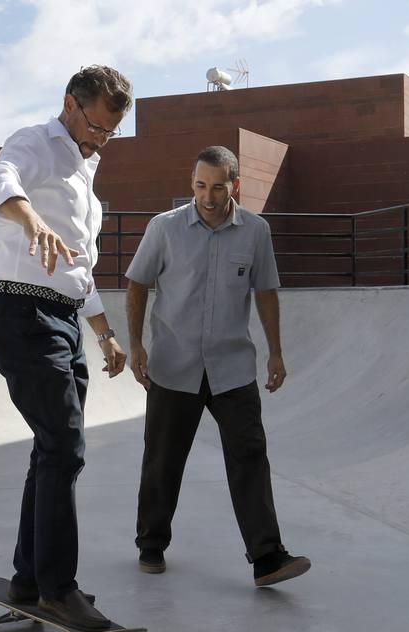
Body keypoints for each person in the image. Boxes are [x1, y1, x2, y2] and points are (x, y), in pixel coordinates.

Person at [0, 66, 132, 631]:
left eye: (111, 133)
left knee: (51, 449)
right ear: (71, 104)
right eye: (96, 127)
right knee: (66, 448)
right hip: (23, 314)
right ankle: (57, 589)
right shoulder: (35, 142)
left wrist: (105, 333)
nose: (100, 141)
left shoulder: (86, 172)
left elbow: (80, 271)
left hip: (65, 322)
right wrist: (32, 220)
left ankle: (28, 577)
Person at [124, 145, 311, 587]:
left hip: (233, 367)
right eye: (200, 186)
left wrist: (276, 351)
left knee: (250, 457)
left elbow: (265, 291)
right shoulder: (164, 228)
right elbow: (137, 284)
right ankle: (151, 544)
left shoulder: (256, 231)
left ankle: (267, 557)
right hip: (173, 364)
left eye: (219, 187)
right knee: (163, 461)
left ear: (236, 186)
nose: (208, 196)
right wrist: (135, 345)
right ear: (192, 184)